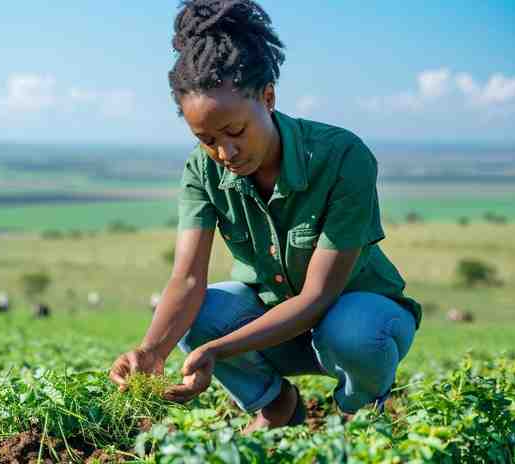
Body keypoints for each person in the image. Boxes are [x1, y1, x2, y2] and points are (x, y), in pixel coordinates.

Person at [109, 0, 421, 434]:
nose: (225, 152)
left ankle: (362, 414)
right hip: (272, 324)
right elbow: (187, 281)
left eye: (235, 131)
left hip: (354, 317)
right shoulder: (203, 172)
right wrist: (150, 352)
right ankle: (277, 407)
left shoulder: (341, 156)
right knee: (193, 314)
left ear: (268, 97)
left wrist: (217, 351)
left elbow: (317, 297)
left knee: (352, 333)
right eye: (207, 139)